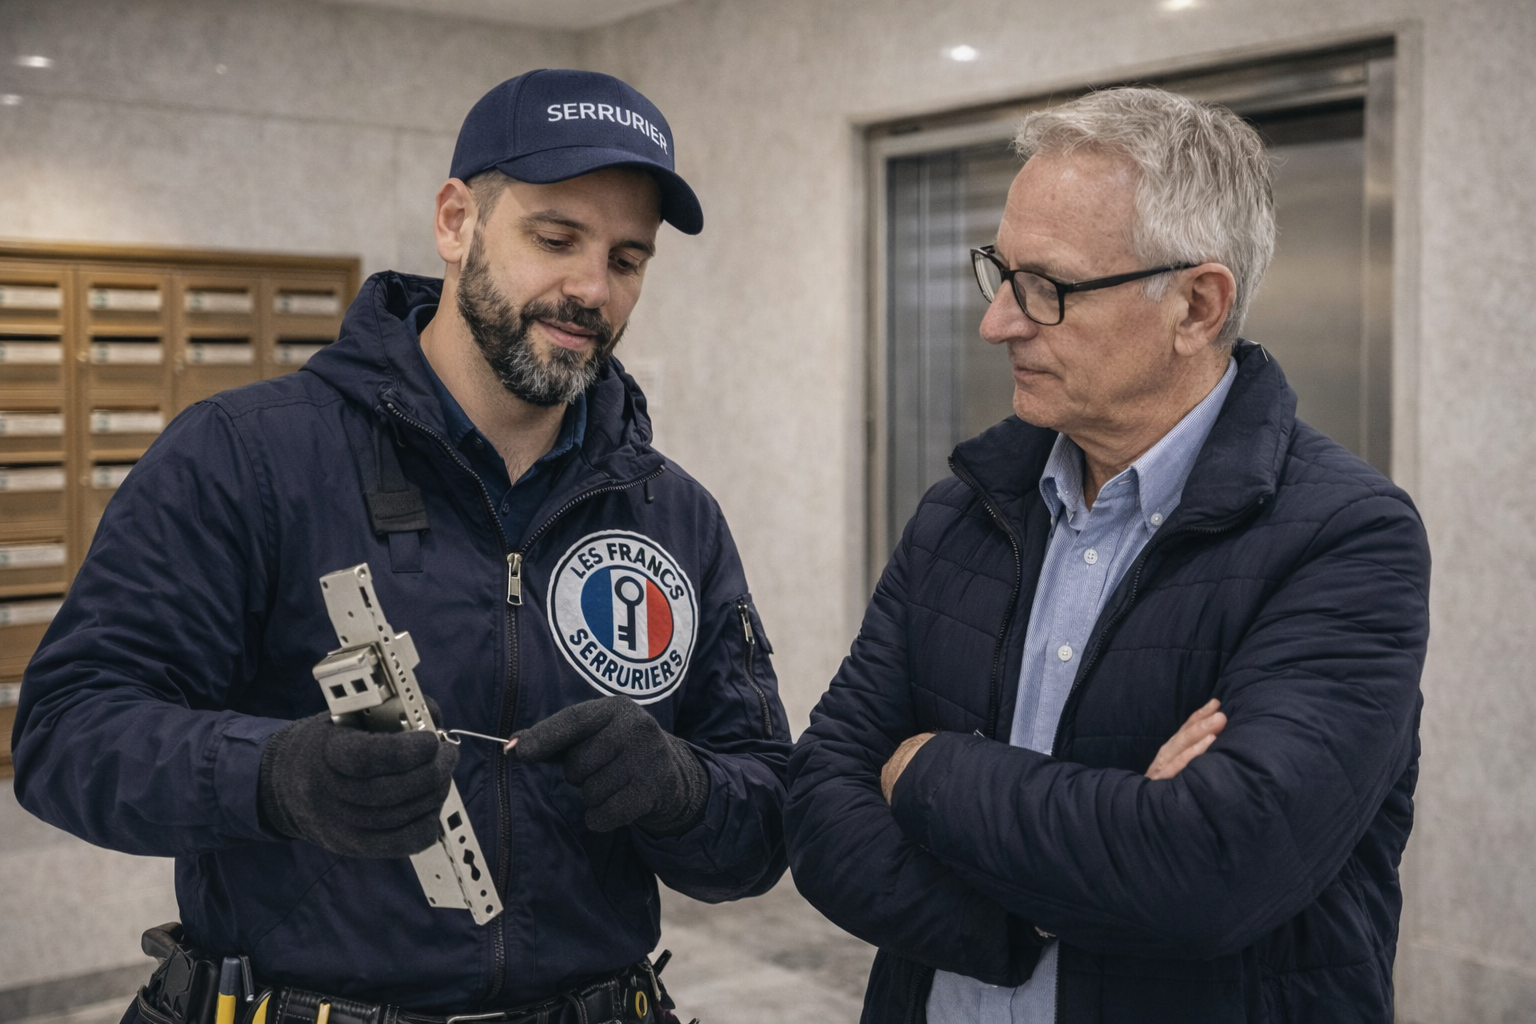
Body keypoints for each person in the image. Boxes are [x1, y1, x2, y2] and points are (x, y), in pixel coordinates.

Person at [12, 69, 791, 1024]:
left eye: (628, 259)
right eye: (555, 239)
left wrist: (683, 792)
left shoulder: (675, 515)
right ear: (457, 222)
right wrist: (273, 776)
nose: (591, 288)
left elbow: (762, 822)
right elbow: (67, 734)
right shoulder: (247, 458)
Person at [785, 87, 1429, 1023]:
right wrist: (1044, 913)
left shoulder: (1347, 537)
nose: (998, 321)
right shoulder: (963, 513)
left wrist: (924, 770)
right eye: (999, 274)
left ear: (1198, 306)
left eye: (1047, 287)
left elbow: (1214, 870)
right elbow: (818, 805)